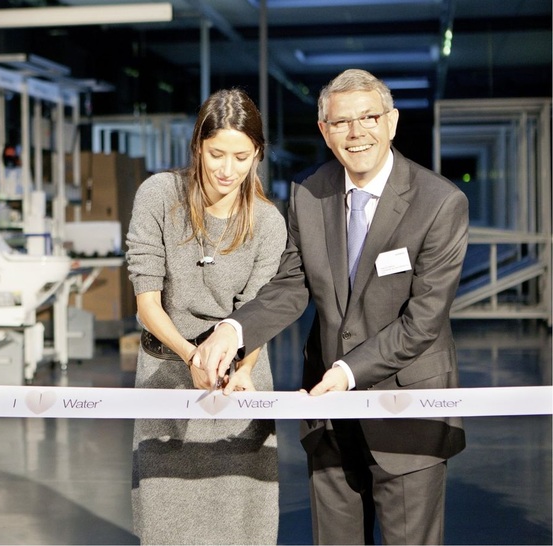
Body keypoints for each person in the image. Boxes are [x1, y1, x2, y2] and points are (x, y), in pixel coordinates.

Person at [192, 69, 469, 545]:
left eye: (369, 118)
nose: (356, 132)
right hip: (328, 417)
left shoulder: (440, 203)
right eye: (341, 122)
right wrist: (232, 331)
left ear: (392, 122)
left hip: (406, 418)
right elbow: (291, 286)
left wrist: (346, 370)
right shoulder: (308, 192)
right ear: (324, 130)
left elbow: (423, 321)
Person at [125, 88, 287, 545]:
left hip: (238, 378)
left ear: (257, 154)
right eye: (217, 154)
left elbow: (259, 312)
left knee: (240, 523)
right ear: (198, 146)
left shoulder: (268, 223)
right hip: (166, 372)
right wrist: (192, 356)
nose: (227, 169)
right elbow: (147, 302)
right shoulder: (159, 196)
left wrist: (244, 369)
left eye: (241, 157)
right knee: (166, 521)